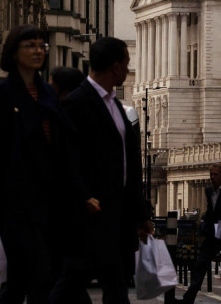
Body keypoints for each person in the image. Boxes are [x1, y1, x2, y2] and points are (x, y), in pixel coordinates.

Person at [0, 25, 74, 303]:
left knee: (19, 279)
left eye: (42, 45)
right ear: (14, 52)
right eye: (30, 45)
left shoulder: (48, 94)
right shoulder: (1, 94)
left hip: (49, 202)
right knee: (39, 274)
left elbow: (62, 148)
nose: (38, 51)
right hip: (15, 202)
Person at [51, 37, 152, 304]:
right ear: (116, 67)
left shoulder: (116, 106)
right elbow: (65, 159)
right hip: (89, 215)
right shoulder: (76, 103)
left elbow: (127, 165)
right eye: (127, 64)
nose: (129, 70)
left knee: (115, 283)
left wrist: (140, 215)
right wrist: (83, 195)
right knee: (72, 280)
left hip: (116, 217)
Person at [176, 164, 221, 303]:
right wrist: (204, 223)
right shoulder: (209, 191)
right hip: (212, 235)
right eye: (211, 174)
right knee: (200, 265)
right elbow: (211, 212)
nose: (213, 177)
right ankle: (188, 299)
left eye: (216, 174)